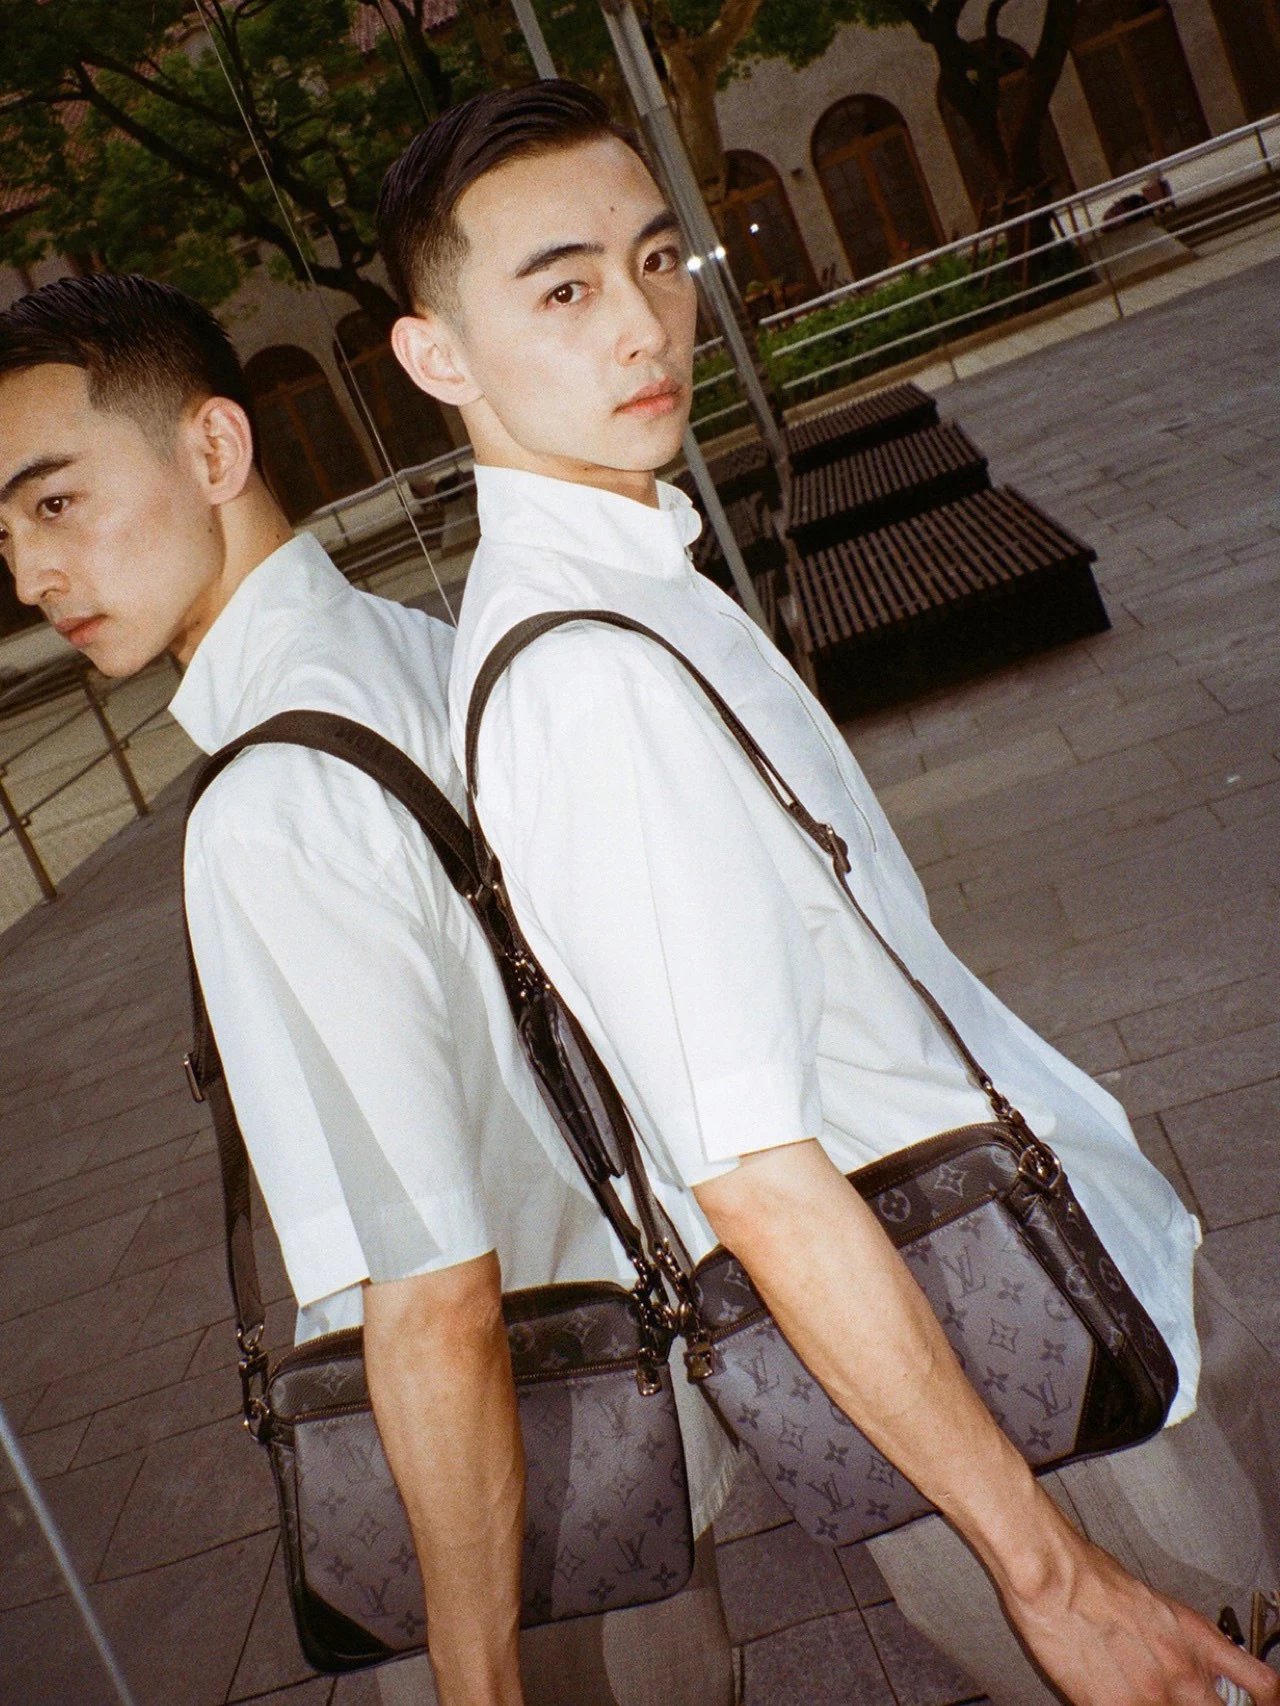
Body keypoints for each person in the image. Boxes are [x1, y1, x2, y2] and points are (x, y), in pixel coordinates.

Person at [378, 79, 1280, 1706]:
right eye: (563, 290)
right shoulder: (590, 677)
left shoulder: (622, 582)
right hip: (1018, 1379)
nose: (644, 322)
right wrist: (1052, 1574)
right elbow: (754, 1174)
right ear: (438, 356)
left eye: (658, 260)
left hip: (1047, 1287)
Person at [0, 273, 738, 1706]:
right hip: (640, 1396)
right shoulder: (424, 649)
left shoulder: (265, 811)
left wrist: (472, 1672)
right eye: (8, 532)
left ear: (214, 449)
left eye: (57, 503)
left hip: (501, 1504)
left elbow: (430, 1291)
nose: (31, 575)